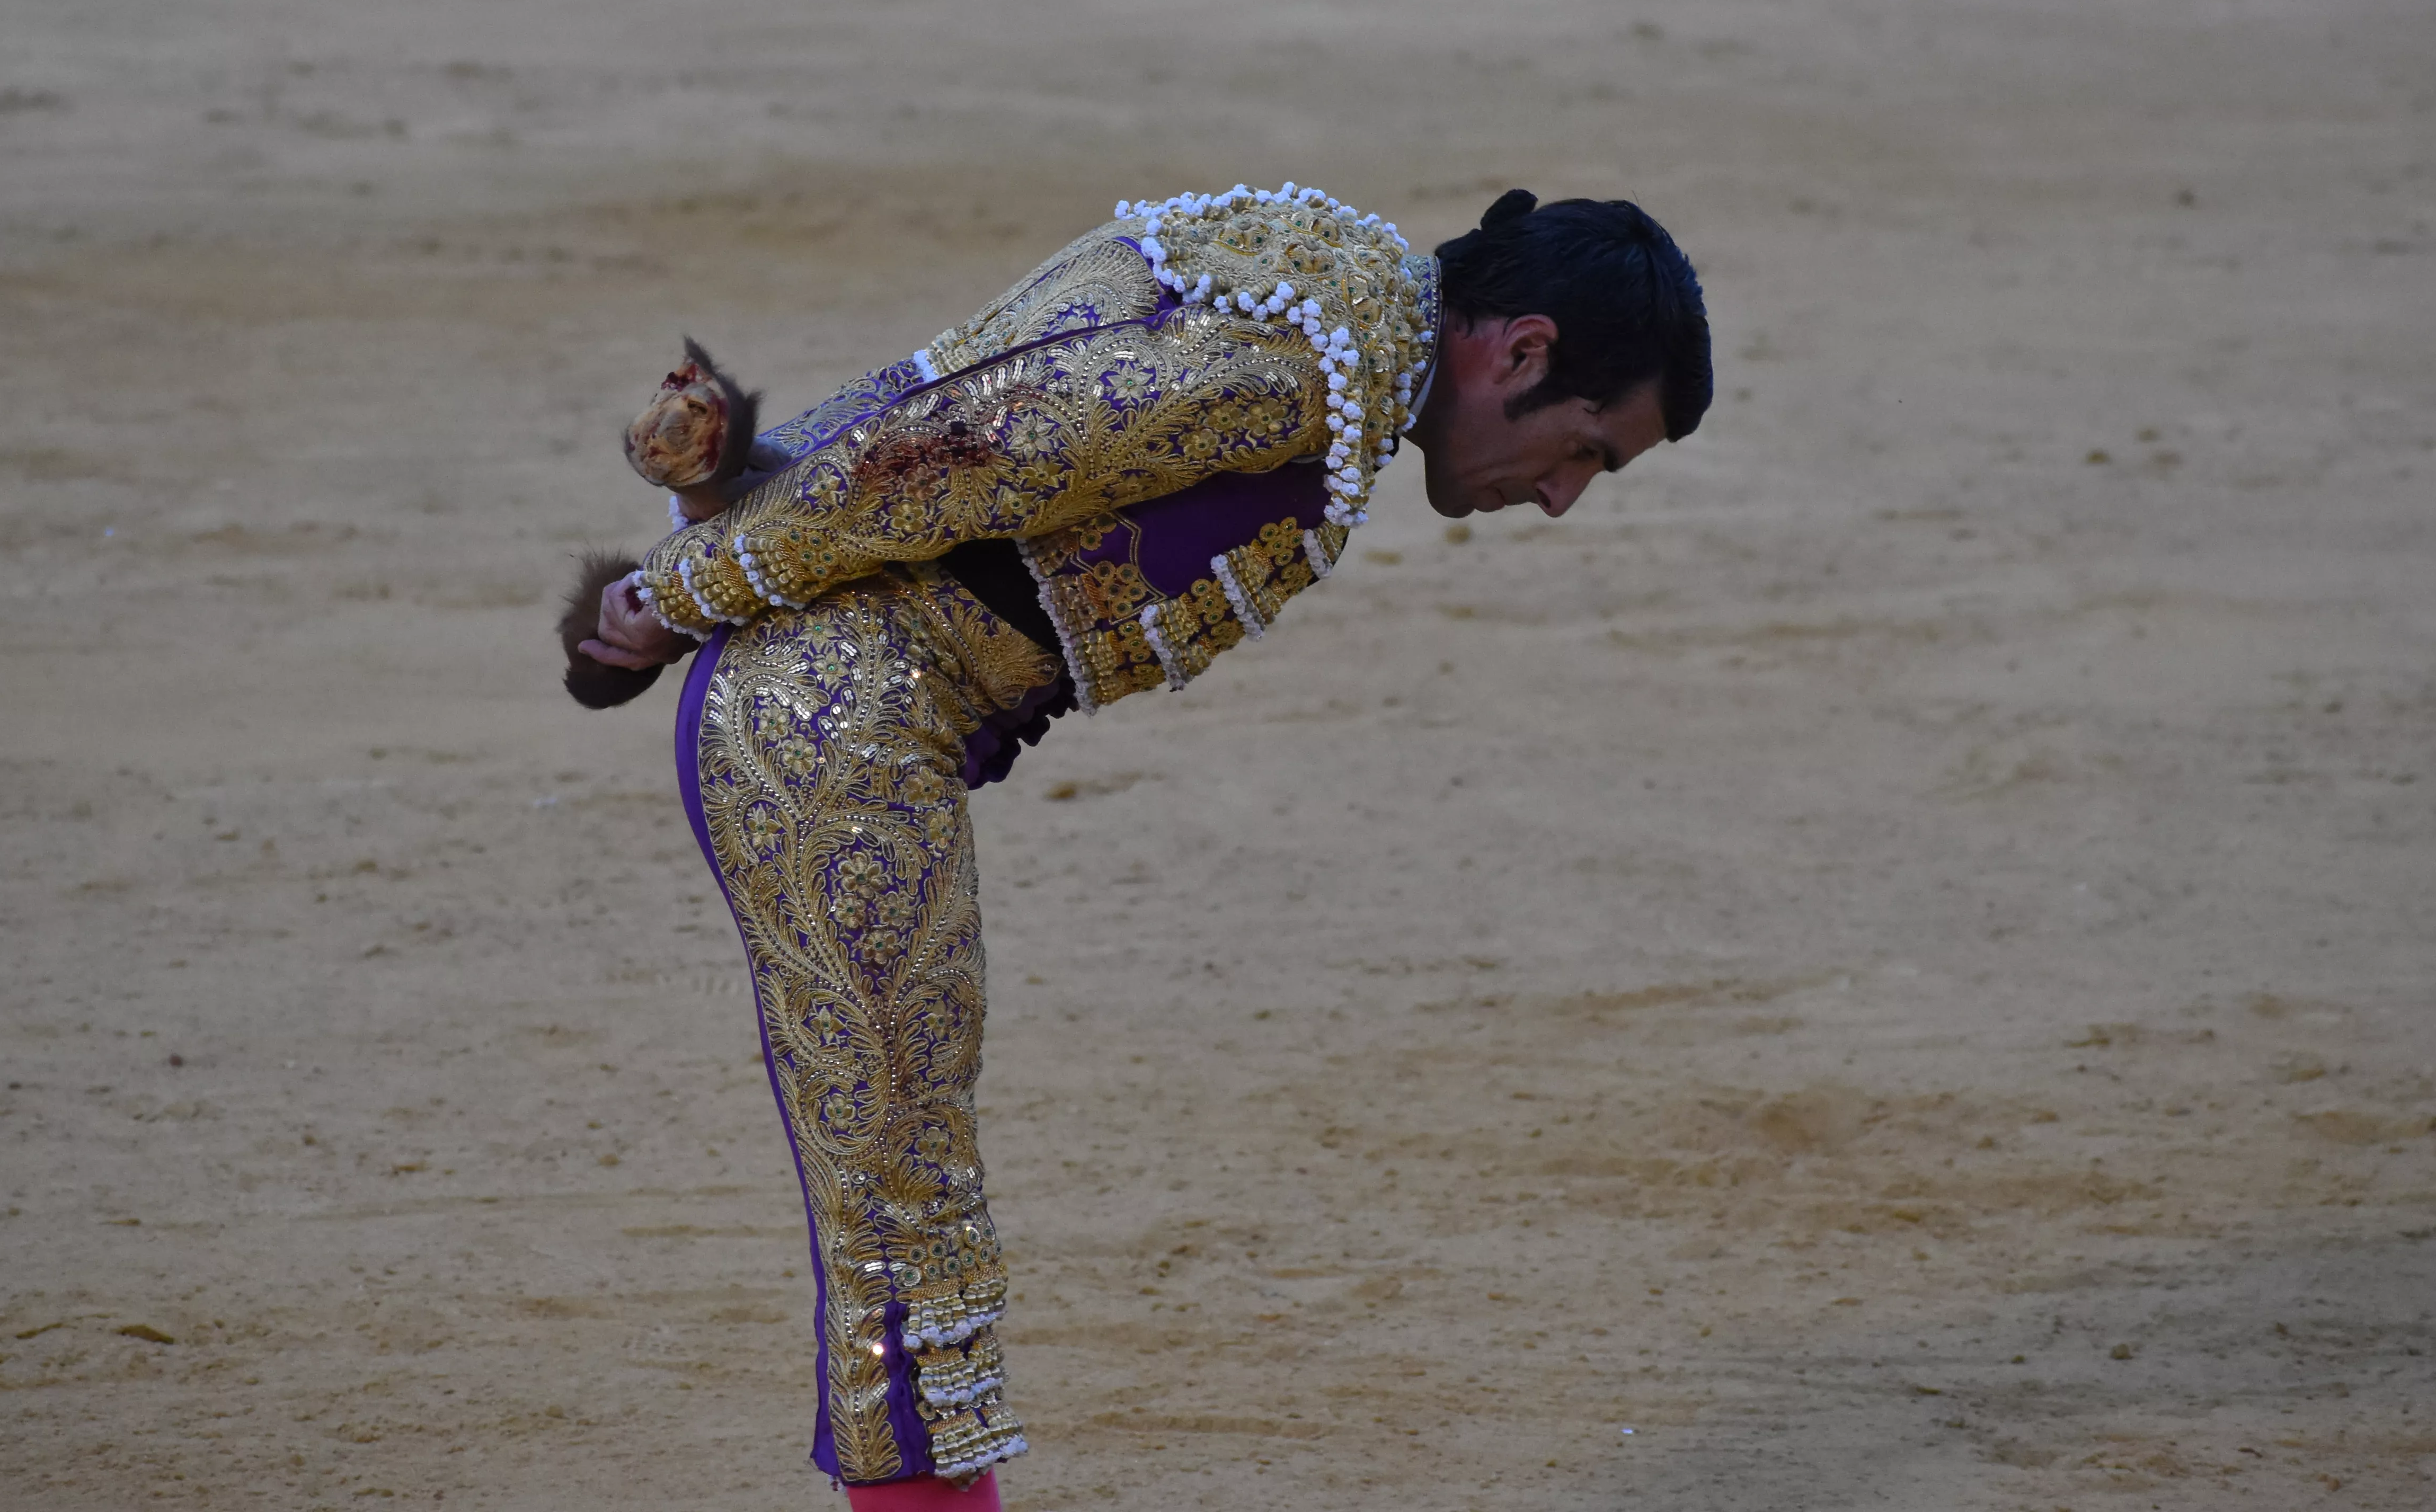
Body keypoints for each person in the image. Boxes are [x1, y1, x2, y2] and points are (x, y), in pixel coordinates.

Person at [572, 184, 1709, 1505]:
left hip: (842, 704)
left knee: (902, 1195)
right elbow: (972, 442)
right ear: (1520, 350)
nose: (1564, 496)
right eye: (1588, 448)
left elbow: (948, 382)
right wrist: (685, 591)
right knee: (903, 1207)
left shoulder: (1311, 262)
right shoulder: (1312, 371)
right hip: (835, 730)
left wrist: (740, 501)